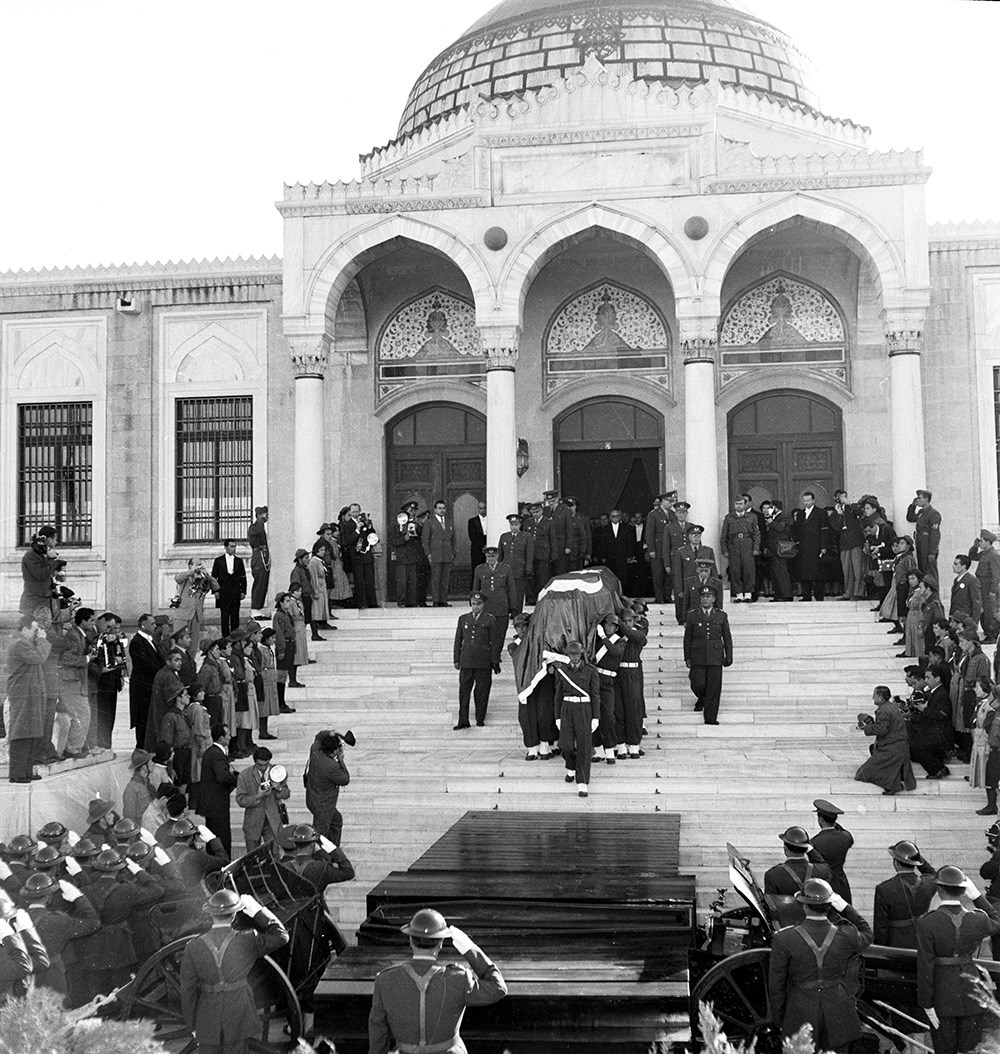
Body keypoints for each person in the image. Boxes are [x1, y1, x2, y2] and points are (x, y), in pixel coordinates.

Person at [368, 908, 506, 1054]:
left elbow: (377, 1030)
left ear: (411, 940)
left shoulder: (385, 979)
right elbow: (499, 988)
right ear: (440, 943)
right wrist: (469, 948)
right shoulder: (459, 978)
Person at [767, 877, 872, 1054]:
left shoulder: (784, 939)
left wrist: (781, 1021)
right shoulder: (847, 935)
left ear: (803, 905)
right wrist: (844, 907)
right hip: (838, 1012)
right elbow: (867, 933)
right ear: (829, 905)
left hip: (799, 1012)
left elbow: (776, 987)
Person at [180, 888, 289, 1054]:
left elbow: (187, 991)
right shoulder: (248, 939)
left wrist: (192, 1025)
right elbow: (281, 936)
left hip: (207, 1013)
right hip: (238, 1011)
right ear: (234, 915)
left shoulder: (192, 947)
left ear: (211, 914)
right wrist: (257, 911)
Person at [917, 865, 1000, 1054]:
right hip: (972, 993)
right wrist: (977, 896)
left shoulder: (926, 922)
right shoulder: (978, 919)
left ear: (939, 889)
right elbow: (997, 921)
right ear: (964, 891)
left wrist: (926, 1003)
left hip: (942, 996)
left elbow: (925, 966)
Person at [20, 871, 100, 1001]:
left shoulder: (14, 918)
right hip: (51, 976)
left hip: (24, 976)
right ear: (48, 897)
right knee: (56, 1009)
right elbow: (93, 923)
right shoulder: (57, 920)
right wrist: (77, 897)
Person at [6, 617, 51, 784]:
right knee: (22, 731)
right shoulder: (19, 644)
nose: (37, 634)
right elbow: (38, 657)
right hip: (23, 693)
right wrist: (43, 641)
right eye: (34, 631)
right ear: (24, 629)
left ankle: (26, 770)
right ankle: (17, 773)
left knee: (32, 731)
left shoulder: (26, 643)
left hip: (31, 692)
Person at [553, 640, 600, 798]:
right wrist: (557, 717)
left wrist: (596, 717)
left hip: (584, 709)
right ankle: (571, 766)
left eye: (577, 654)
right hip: (567, 708)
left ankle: (582, 782)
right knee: (565, 745)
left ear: (582, 654)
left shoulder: (590, 671)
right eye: (571, 654)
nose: (574, 657)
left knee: (584, 747)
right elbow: (557, 695)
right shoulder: (562, 671)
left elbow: (595, 695)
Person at [872, 840, 938, 948]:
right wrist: (915, 857)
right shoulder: (929, 883)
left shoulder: (883, 889)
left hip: (896, 945)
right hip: (923, 942)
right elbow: (932, 873)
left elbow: (880, 929)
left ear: (896, 863)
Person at [683, 585, 733, 725]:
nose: (705, 599)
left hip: (715, 655)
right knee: (697, 682)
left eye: (709, 596)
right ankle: (702, 698)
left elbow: (727, 637)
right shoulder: (692, 615)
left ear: (714, 599)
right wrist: (687, 657)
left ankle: (710, 718)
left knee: (714, 687)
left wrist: (729, 655)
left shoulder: (721, 615)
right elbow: (687, 638)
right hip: (697, 655)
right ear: (700, 599)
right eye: (703, 596)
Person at [855, 686, 917, 795]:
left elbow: (882, 729)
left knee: (863, 773)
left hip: (891, 747)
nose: (872, 697)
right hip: (896, 746)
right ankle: (893, 785)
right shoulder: (890, 707)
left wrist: (866, 727)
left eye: (874, 695)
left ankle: (893, 786)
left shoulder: (884, 710)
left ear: (880, 697)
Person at [453, 593, 500, 730]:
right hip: (466, 660)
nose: (475, 607)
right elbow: (458, 640)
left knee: (482, 691)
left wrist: (494, 660)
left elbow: (495, 642)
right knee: (464, 691)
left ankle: (480, 719)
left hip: (483, 661)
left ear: (483, 604)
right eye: (473, 604)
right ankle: (463, 720)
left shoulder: (490, 619)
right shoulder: (463, 619)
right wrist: (456, 659)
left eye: (478, 604)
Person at [235, 747, 290, 852]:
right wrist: (258, 796)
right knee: (253, 855)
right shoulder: (245, 775)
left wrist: (279, 788)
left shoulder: (277, 772)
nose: (264, 768)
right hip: (253, 820)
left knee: (274, 854)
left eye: (266, 764)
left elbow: (286, 794)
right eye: (260, 765)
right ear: (255, 762)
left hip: (272, 820)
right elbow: (240, 799)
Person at [59, 606, 94, 759]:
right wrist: (87, 658)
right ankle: (73, 748)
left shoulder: (80, 635)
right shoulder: (74, 636)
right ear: (83, 621)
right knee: (83, 714)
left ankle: (75, 747)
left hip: (75, 682)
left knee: (81, 715)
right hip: (71, 682)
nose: (93, 624)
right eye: (91, 620)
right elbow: (66, 659)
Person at [305, 730, 353, 844]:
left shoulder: (315, 753)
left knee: (336, 821)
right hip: (324, 805)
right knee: (319, 836)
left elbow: (319, 736)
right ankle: (320, 853)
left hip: (313, 799)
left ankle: (333, 849)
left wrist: (332, 733)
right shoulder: (332, 766)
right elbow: (345, 779)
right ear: (335, 751)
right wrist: (341, 760)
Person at [199, 724, 239, 856]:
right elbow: (223, 777)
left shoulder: (212, 752)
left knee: (213, 837)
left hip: (211, 804)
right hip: (216, 804)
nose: (230, 737)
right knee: (221, 837)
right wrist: (239, 779)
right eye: (228, 735)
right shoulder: (217, 754)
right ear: (221, 738)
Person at [591, 615, 626, 765]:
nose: (608, 627)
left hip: (608, 681)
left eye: (612, 625)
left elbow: (614, 651)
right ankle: (598, 749)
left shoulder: (620, 642)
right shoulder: (597, 641)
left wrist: (604, 637)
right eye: (607, 624)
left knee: (608, 716)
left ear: (617, 628)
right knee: (594, 714)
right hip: (595, 679)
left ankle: (610, 749)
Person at [613, 609, 647, 760]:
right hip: (618, 673)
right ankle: (620, 745)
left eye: (629, 621)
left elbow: (637, 637)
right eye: (624, 621)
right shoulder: (616, 635)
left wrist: (621, 625)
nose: (627, 624)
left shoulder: (638, 632)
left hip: (632, 673)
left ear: (634, 621)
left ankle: (634, 744)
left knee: (633, 710)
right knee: (618, 711)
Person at [910, 664, 953, 780]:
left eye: (928, 677)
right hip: (931, 730)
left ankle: (938, 769)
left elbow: (942, 714)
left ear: (937, 678)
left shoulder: (941, 694)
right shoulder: (934, 692)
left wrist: (925, 709)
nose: (925, 680)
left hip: (939, 734)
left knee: (916, 746)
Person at [129, 613, 164, 749]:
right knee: (142, 718)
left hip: (151, 687)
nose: (155, 626)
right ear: (143, 625)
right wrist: (161, 672)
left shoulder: (151, 640)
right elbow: (146, 664)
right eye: (152, 623)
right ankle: (142, 747)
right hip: (142, 688)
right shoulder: (137, 642)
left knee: (150, 718)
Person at [671, 523, 717, 625]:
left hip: (704, 584)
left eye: (698, 535)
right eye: (693, 535)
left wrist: (714, 587)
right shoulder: (681, 551)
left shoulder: (708, 551)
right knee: (686, 608)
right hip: (687, 585)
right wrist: (679, 589)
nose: (696, 538)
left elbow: (713, 571)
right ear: (689, 536)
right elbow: (678, 572)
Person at [810, 799, 853, 903]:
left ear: (821, 820)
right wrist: (834, 824)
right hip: (841, 882)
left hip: (823, 884)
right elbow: (844, 832)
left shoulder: (815, 842)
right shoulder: (846, 837)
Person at [791, 491, 830, 602]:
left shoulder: (821, 512)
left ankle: (819, 595)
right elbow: (797, 529)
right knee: (804, 571)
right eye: (804, 501)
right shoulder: (800, 513)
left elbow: (825, 531)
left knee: (817, 572)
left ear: (813, 500)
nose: (806, 503)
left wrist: (823, 547)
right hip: (804, 547)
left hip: (816, 546)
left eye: (808, 500)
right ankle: (806, 595)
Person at [472, 547, 516, 644]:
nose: (491, 559)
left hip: (501, 607)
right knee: (485, 634)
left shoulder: (505, 568)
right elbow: (476, 589)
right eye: (489, 556)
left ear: (497, 556)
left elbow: (511, 588)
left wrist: (513, 606)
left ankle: (497, 653)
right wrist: (475, 607)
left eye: (493, 556)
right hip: (486, 607)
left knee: (500, 634)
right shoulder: (479, 569)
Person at [720, 495, 759, 602]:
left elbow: (756, 534)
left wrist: (756, 548)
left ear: (745, 504)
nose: (739, 506)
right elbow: (724, 535)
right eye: (737, 504)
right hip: (734, 547)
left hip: (747, 546)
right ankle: (738, 594)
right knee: (735, 571)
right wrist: (725, 550)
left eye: (741, 504)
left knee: (748, 570)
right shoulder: (729, 518)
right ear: (734, 505)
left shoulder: (752, 517)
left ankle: (748, 594)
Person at [146, 648, 184, 751]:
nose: (180, 663)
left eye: (180, 660)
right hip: (165, 715)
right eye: (176, 660)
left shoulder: (166, 672)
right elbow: (177, 697)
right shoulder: (168, 676)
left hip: (160, 713)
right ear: (168, 661)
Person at [211, 539, 247, 638]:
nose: (234, 549)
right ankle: (225, 638)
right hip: (223, 592)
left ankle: (236, 637)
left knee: (235, 616)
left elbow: (243, 577)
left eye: (235, 546)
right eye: (231, 546)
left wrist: (243, 591)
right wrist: (215, 591)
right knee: (224, 616)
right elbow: (213, 577)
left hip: (235, 592)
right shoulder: (218, 561)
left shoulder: (239, 561)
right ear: (226, 547)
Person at [422, 499, 455, 607]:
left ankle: (443, 600)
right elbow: (425, 539)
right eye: (439, 508)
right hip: (435, 554)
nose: (442, 510)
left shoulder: (449, 522)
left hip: (447, 554)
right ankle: (436, 600)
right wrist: (428, 554)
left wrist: (453, 552)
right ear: (435, 509)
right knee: (436, 579)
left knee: (445, 579)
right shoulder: (429, 522)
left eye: (443, 508)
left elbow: (453, 539)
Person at [498, 514, 534, 613]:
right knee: (506, 592)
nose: (514, 527)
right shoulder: (504, 536)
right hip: (506, 569)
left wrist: (528, 569)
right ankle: (507, 611)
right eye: (512, 524)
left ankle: (517, 613)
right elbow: (500, 554)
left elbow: (529, 555)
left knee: (518, 593)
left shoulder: (526, 537)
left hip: (519, 569)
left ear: (520, 525)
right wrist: (499, 568)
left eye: (516, 524)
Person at [970, 529, 1000, 643]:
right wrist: (975, 546)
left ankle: (992, 635)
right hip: (981, 585)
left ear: (988, 542)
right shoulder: (984, 553)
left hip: (988, 586)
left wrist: (992, 591)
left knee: (989, 611)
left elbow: (996, 575)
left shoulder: (993, 554)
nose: (980, 543)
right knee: (982, 610)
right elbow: (972, 556)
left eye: (982, 541)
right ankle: (987, 632)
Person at [907, 488, 942, 585]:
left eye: (920, 498)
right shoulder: (921, 512)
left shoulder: (933, 513)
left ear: (926, 499)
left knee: (930, 570)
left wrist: (932, 552)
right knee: (922, 569)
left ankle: (933, 591)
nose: (917, 500)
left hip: (927, 544)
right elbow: (910, 518)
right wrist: (913, 506)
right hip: (920, 542)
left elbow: (935, 534)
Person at [644, 493, 674, 604]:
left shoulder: (672, 514)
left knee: (669, 574)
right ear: (662, 501)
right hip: (658, 549)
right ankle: (659, 597)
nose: (670, 503)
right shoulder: (653, 514)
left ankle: (667, 596)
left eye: (672, 501)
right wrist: (651, 549)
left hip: (670, 550)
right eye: (668, 501)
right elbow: (650, 533)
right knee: (658, 574)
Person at [392, 503, 423, 607]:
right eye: (410, 511)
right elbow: (393, 541)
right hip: (402, 557)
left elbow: (419, 535)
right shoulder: (396, 526)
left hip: (412, 556)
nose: (412, 513)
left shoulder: (413, 524)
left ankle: (412, 601)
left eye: (414, 511)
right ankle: (401, 601)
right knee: (402, 581)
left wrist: (417, 524)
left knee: (412, 581)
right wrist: (403, 539)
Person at [764, 500, 795, 602]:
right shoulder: (774, 517)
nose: (768, 510)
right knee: (775, 574)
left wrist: (771, 522)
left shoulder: (783, 516)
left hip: (780, 550)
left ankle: (787, 595)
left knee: (781, 573)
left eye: (770, 507)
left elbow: (781, 528)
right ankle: (778, 594)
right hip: (772, 550)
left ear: (775, 508)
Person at [524, 501, 554, 603]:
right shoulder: (527, 522)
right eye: (533, 512)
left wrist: (553, 555)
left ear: (541, 511)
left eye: (537, 511)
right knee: (530, 577)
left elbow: (552, 540)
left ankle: (541, 598)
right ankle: (531, 599)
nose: (535, 514)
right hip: (530, 554)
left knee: (542, 577)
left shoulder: (548, 522)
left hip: (543, 554)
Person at [290, 550, 322, 644]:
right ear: (300, 559)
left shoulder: (305, 569)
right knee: (306, 616)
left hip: (308, 596)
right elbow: (295, 585)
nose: (308, 560)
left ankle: (315, 634)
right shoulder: (297, 571)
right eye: (306, 558)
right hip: (303, 597)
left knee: (311, 616)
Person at [273, 590, 302, 694]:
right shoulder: (279, 616)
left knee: (285, 673)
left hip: (290, 644)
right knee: (281, 674)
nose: (289, 603)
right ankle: (280, 699)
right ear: (281, 603)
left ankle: (282, 699)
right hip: (285, 645)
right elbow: (279, 633)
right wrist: (281, 649)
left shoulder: (287, 614)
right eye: (287, 601)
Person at [248, 506, 271, 619]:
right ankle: (255, 609)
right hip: (258, 556)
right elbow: (257, 531)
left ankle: (258, 609)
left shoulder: (261, 527)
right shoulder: (254, 527)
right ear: (258, 515)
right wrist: (261, 521)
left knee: (263, 582)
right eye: (264, 514)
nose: (266, 516)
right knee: (259, 582)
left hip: (263, 556)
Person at [468, 500, 488, 588]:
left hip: (489, 548)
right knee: (476, 571)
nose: (482, 510)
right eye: (480, 508)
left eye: (484, 508)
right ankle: (475, 591)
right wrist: (482, 546)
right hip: (477, 549)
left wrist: (488, 546)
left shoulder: (492, 520)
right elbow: (472, 536)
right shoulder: (472, 521)